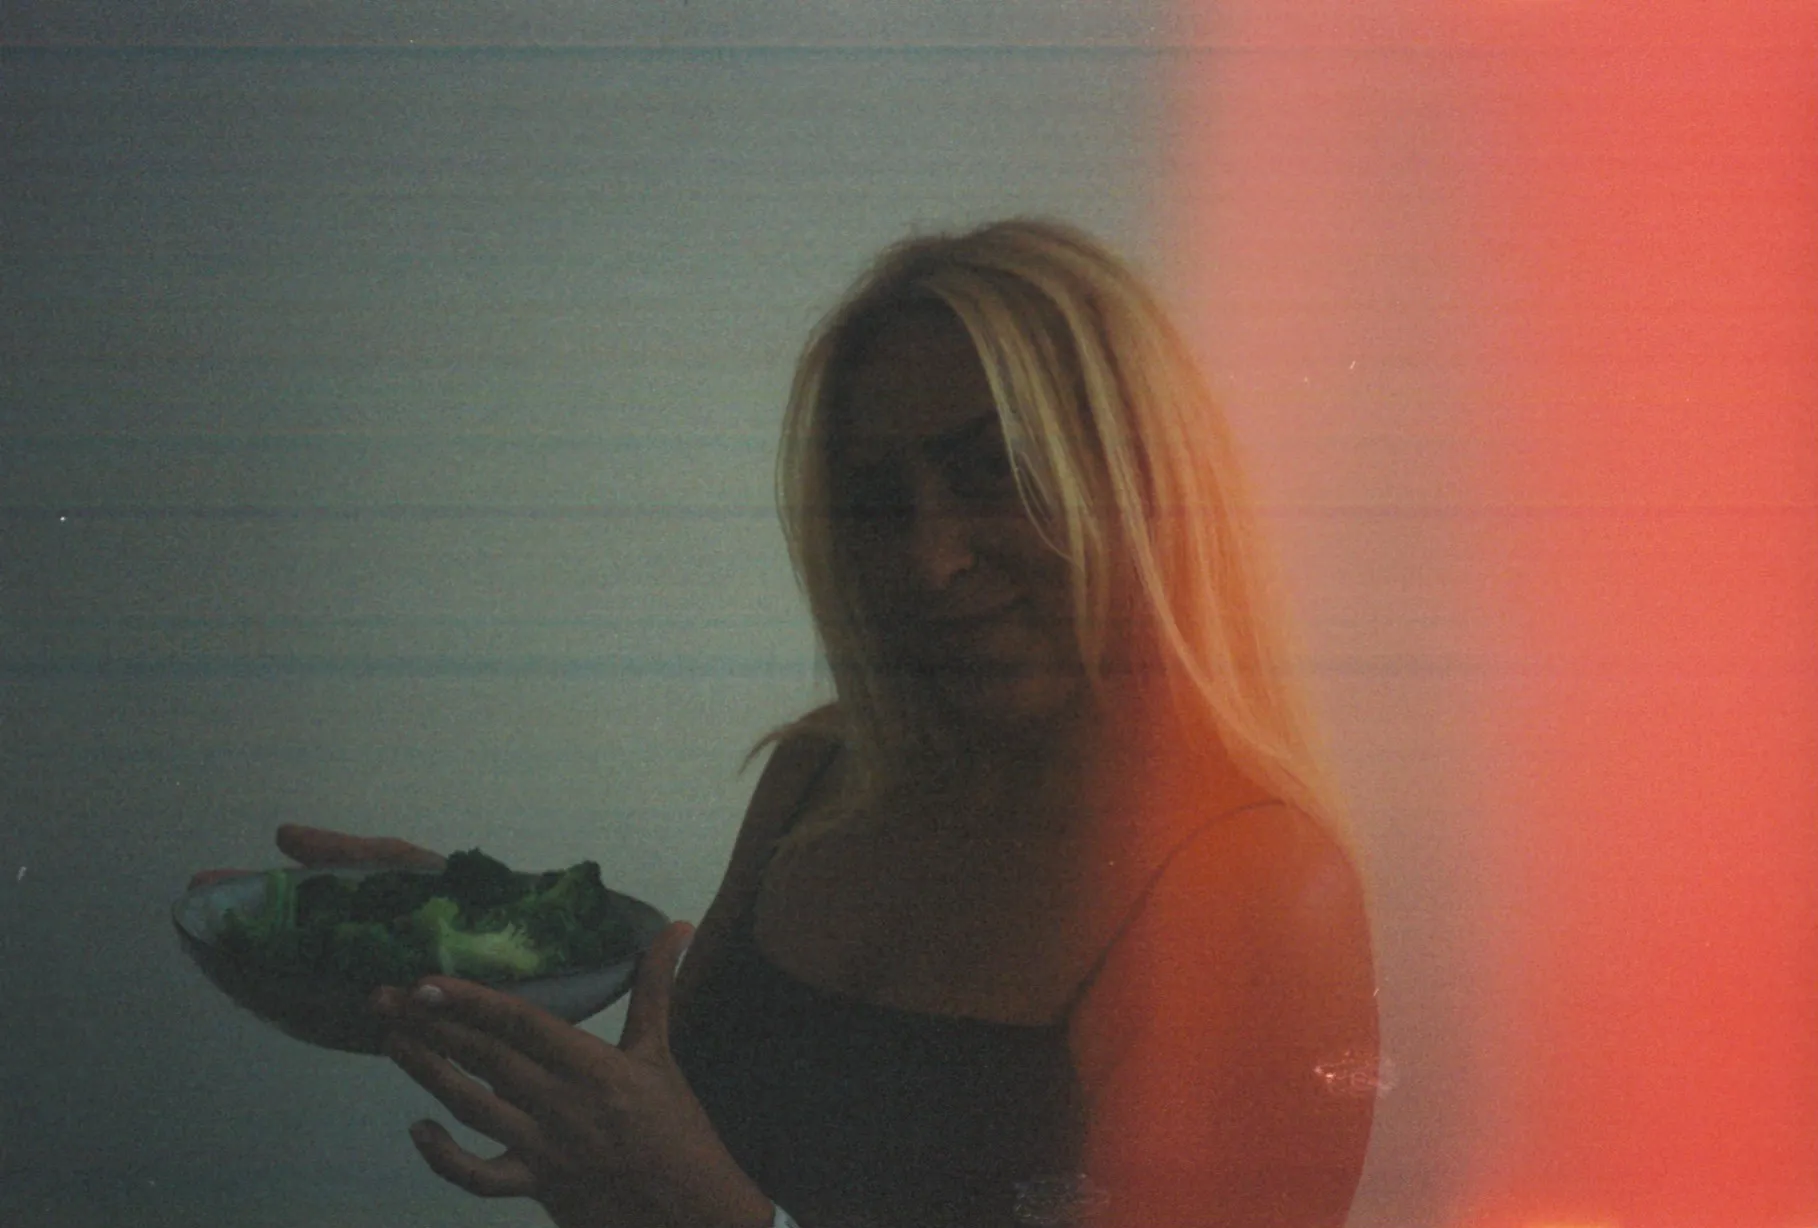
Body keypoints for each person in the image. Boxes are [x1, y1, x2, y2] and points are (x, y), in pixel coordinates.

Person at [199, 219, 1378, 1228]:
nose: (928, 558)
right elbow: (684, 1145)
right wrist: (483, 932)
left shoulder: (1255, 886)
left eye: (993, 472)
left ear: (1146, 478)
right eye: (878, 500)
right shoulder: (826, 774)